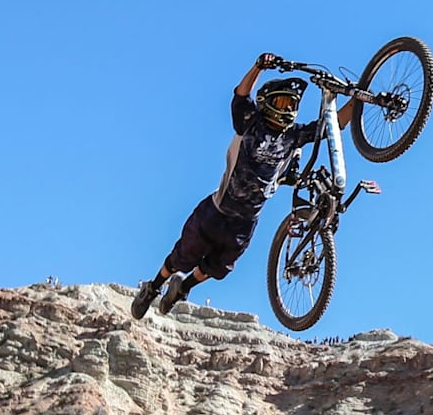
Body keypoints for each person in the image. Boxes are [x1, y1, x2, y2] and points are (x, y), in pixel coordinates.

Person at [131, 53, 357, 320]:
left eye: (291, 104)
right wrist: (258, 67)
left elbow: (334, 125)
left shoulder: (293, 136)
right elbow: (240, 95)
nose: (286, 109)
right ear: (266, 102)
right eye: (281, 102)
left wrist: (358, 98)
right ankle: (153, 287)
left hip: (246, 221)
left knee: (220, 267)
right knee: (183, 256)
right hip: (217, 210)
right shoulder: (250, 122)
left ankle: (183, 288)